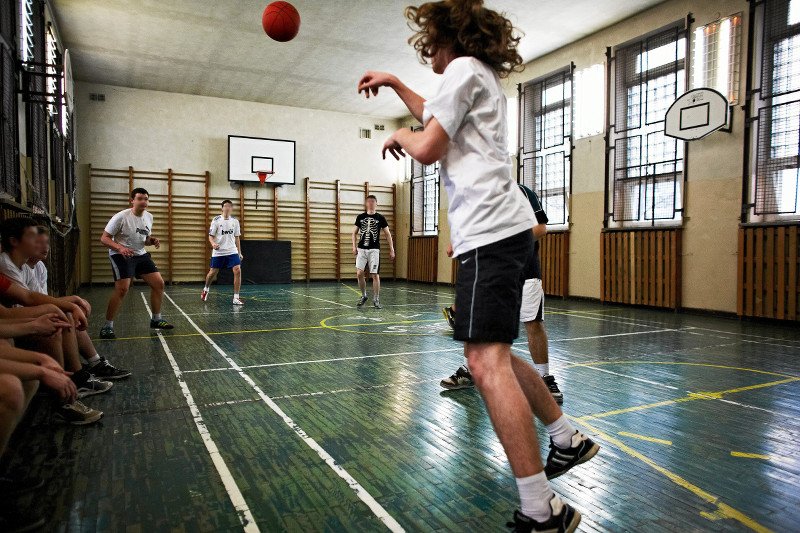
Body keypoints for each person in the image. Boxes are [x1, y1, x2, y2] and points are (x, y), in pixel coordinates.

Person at [358, 2, 596, 530]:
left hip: (490, 233)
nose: (431, 56)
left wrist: (399, 137)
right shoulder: (475, 74)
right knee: (495, 353)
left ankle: (543, 508)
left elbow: (428, 145)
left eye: (431, 45)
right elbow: (435, 115)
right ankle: (565, 437)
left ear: (449, 36)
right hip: (496, 233)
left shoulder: (463, 69)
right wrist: (398, 85)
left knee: (485, 363)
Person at [441, 185, 563, 404]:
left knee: (533, 323)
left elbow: (541, 228)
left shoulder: (521, 193)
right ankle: (471, 370)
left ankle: (544, 377)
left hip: (525, 272)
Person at [0, 217, 113, 403]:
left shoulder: (26, 267)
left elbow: (29, 297)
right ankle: (67, 384)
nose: (39, 243)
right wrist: (63, 307)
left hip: (12, 322)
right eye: (33, 237)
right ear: (14, 241)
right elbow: (25, 304)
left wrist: (70, 304)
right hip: (10, 325)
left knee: (60, 314)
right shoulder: (5, 264)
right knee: (56, 318)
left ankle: (79, 373)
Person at [26, 226, 130, 380]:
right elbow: (29, 300)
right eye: (39, 243)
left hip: (32, 312)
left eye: (46, 243)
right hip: (23, 318)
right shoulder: (10, 266)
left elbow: (39, 299)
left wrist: (75, 301)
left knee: (68, 310)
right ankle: (75, 375)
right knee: (63, 315)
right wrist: (70, 304)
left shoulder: (39, 266)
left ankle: (93, 364)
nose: (45, 247)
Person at [99, 187, 173, 339]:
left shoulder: (149, 217)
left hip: (140, 254)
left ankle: (156, 319)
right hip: (121, 255)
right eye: (140, 198)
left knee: (158, 284)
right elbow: (104, 238)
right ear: (132, 200)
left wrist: (151, 241)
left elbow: (144, 239)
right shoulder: (121, 217)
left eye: (146, 199)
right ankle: (107, 326)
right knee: (122, 289)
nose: (143, 201)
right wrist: (120, 248)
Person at [351, 195, 395, 309]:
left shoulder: (380, 218)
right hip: (361, 249)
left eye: (373, 201)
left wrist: (392, 249)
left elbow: (387, 234)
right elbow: (354, 233)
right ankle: (364, 295)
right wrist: (354, 246)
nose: (371, 203)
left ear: (376, 203)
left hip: (374, 250)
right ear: (366, 203)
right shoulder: (360, 217)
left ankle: (376, 298)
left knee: (374, 274)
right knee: (359, 273)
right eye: (369, 201)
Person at [201, 200, 244, 305]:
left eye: (230, 206)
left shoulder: (235, 221)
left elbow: (237, 238)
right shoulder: (216, 220)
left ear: (231, 208)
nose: (227, 208)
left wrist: (239, 252)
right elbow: (210, 236)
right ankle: (206, 289)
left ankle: (236, 297)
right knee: (212, 273)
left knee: (237, 270)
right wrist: (213, 244)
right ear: (222, 208)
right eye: (225, 206)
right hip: (219, 251)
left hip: (232, 250)